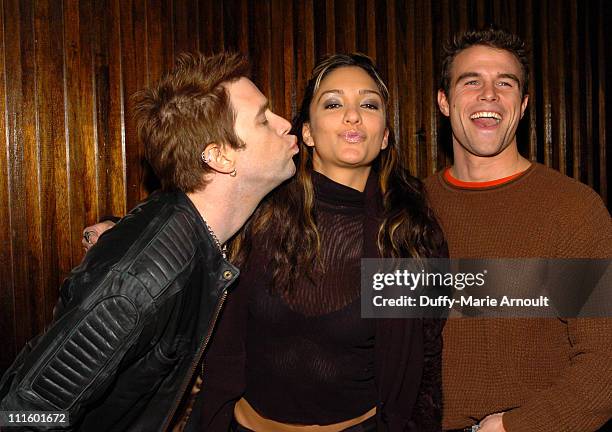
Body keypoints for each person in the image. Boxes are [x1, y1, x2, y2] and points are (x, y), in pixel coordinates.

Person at [82, 54, 448, 431]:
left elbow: (429, 357)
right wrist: (120, 233)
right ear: (305, 132)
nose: (353, 116)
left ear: (385, 133)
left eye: (369, 104)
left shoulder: (409, 233)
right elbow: (194, 207)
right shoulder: (260, 211)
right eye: (334, 103)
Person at [0, 51, 298, 431]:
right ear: (219, 157)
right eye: (263, 119)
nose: (284, 123)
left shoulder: (201, 234)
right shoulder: (138, 282)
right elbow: (24, 414)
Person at [425, 28, 612, 432]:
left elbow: (604, 364)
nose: (488, 94)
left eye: (504, 83)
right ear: (444, 101)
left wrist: (516, 426)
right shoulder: (410, 209)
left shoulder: (573, 209)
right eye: (471, 81)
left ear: (523, 105)